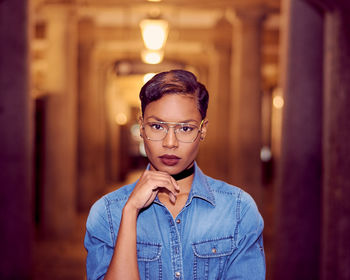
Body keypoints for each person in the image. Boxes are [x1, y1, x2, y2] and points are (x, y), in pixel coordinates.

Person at [84, 69, 265, 280]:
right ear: (141, 127)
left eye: (185, 129)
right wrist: (130, 211)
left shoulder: (238, 210)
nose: (170, 143)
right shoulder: (106, 213)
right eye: (157, 126)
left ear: (202, 130)